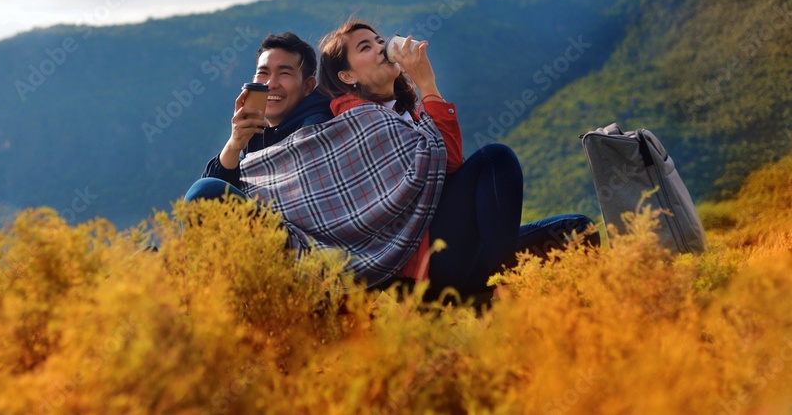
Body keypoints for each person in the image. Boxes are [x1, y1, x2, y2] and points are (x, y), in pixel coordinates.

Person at [236, 20, 597, 300]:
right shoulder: (353, 115)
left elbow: (450, 164)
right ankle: (499, 286)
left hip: (455, 243)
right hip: (416, 260)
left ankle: (504, 287)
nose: (381, 49)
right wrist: (427, 83)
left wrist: (424, 89)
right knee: (494, 160)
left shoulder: (406, 113)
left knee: (578, 230)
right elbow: (445, 163)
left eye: (380, 42)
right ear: (347, 75)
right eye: (366, 47)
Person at [185, 32, 333, 202]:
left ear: (308, 86)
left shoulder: (316, 128)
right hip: (263, 222)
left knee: (203, 191)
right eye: (263, 73)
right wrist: (234, 144)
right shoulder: (257, 135)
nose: (270, 84)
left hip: (292, 227)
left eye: (284, 73)